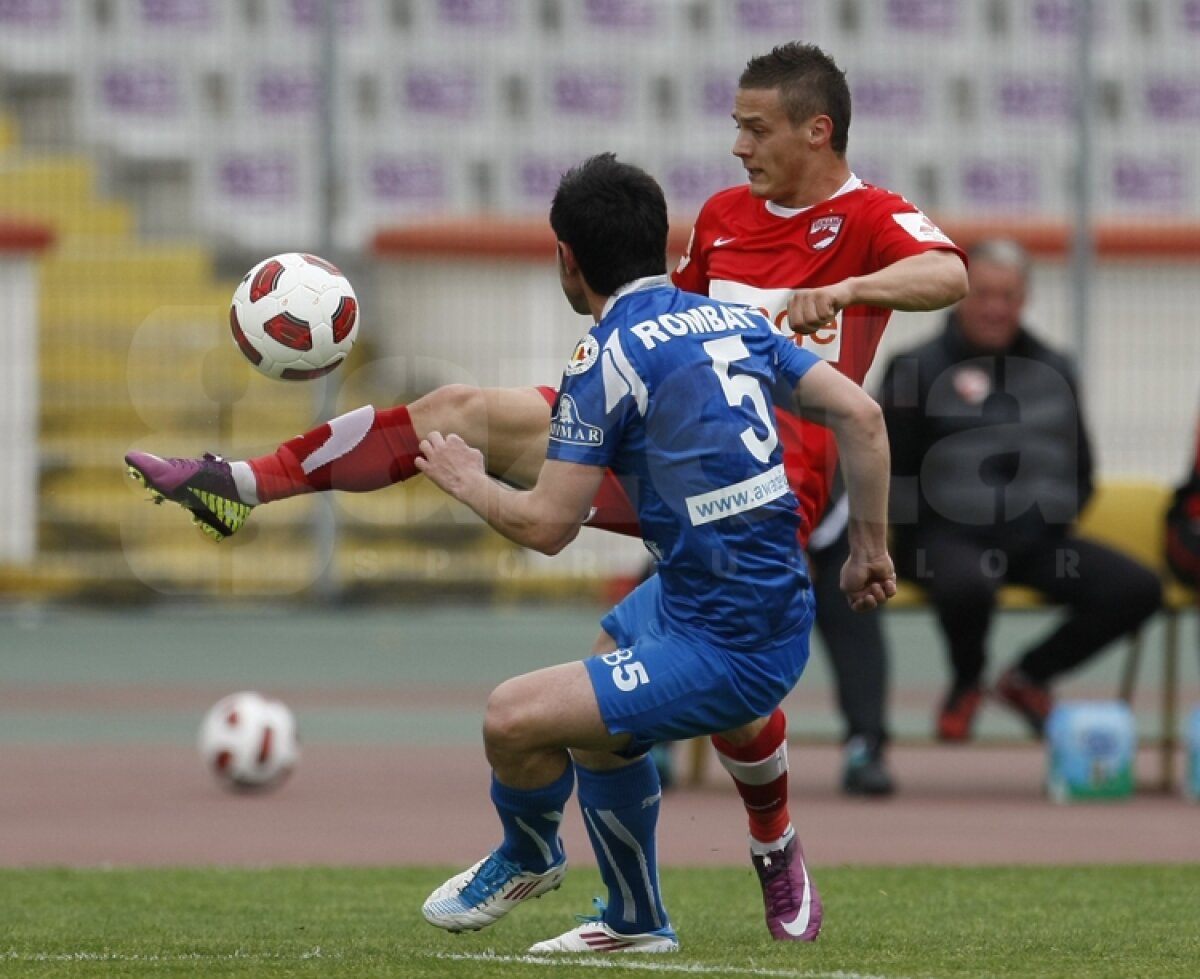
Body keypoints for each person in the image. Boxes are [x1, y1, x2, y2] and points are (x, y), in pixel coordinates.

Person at [126, 43, 966, 805]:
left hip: (766, 473)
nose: (739, 146)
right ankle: (239, 484)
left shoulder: (866, 219)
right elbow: (670, 318)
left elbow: (945, 273)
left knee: (705, 660)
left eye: (755, 128)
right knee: (455, 412)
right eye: (735, 128)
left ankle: (736, 822)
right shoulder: (722, 215)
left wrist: (856, 289)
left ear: (818, 131)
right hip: (669, 436)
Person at [414, 154, 894, 951]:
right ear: (665, 247)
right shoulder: (735, 320)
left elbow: (547, 527)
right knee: (601, 693)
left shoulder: (604, 358)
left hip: (730, 638)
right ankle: (635, 920)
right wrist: (866, 550)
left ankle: (529, 853)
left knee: (512, 718)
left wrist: (468, 479)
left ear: (566, 258)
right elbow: (865, 418)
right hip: (738, 595)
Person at [877, 238, 1163, 742]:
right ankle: (966, 683)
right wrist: (923, 527)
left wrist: (1052, 517)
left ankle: (1028, 676)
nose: (995, 308)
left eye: (1007, 296)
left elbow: (1082, 465)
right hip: (944, 540)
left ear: (1023, 299)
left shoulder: (1056, 367)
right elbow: (885, 467)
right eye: (983, 294)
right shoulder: (914, 367)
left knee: (1137, 588)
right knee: (970, 585)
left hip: (1036, 540)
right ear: (960, 297)